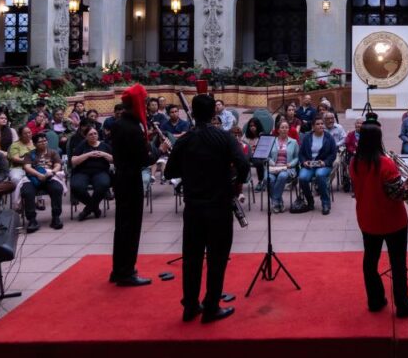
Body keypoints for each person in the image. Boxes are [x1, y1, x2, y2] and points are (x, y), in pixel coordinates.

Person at [165, 94, 250, 324]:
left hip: (193, 207)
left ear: (191, 113)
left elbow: (169, 172)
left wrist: (192, 169)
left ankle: (190, 306)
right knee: (217, 258)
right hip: (220, 205)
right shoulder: (224, 138)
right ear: (215, 113)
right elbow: (244, 165)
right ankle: (211, 306)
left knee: (191, 258)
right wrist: (235, 184)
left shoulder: (184, 140)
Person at [349, 115, 408, 318]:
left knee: (370, 261)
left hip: (367, 219)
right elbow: (398, 194)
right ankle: (403, 305)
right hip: (393, 221)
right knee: (398, 262)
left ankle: (375, 300)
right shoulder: (385, 164)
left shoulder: (354, 162)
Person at [110, 84, 162, 287]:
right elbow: (144, 159)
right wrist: (159, 149)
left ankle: (118, 268)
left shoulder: (119, 123)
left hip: (121, 178)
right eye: (145, 100)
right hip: (131, 180)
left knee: (121, 226)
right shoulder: (132, 128)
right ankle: (126, 272)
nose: (147, 104)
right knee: (131, 226)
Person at [19, 132, 65, 232]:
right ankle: (32, 220)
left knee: (57, 189)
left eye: (45, 141)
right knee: (27, 192)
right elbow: (27, 167)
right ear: (35, 144)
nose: (43, 143)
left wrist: (52, 172)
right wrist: (38, 175)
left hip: (49, 176)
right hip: (33, 178)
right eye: (40, 142)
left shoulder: (53, 152)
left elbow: (58, 165)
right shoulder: (29, 154)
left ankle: (56, 217)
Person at [70, 126, 112, 221]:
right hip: (82, 172)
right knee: (76, 186)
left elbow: (114, 160)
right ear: (86, 136)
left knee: (103, 184)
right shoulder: (82, 145)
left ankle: (87, 210)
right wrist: (87, 155)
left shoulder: (104, 146)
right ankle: (94, 208)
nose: (93, 136)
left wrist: (103, 154)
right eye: (90, 134)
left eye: (95, 133)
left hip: (100, 171)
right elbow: (73, 161)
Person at [298, 117, 337, 215]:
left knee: (320, 175)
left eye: (321, 124)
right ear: (313, 127)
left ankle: (325, 203)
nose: (321, 126)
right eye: (318, 124)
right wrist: (304, 162)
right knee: (302, 178)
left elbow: (333, 154)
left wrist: (325, 162)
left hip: (323, 164)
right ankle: (310, 201)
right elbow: (301, 153)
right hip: (309, 165)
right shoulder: (307, 137)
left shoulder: (329, 137)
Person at [267, 120, 299, 213]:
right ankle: (279, 202)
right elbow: (267, 156)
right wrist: (273, 163)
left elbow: (297, 157)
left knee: (282, 176)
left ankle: (275, 201)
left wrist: (291, 164)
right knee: (269, 179)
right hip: (273, 168)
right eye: (282, 127)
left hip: (287, 168)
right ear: (278, 130)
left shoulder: (293, 142)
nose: (285, 129)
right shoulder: (272, 141)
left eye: (286, 127)